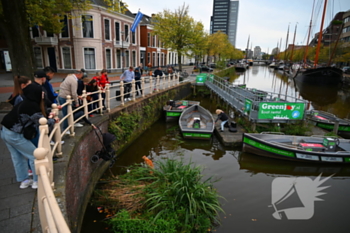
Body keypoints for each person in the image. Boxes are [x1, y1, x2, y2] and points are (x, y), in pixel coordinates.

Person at [1, 83, 56, 189]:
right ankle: (36, 181)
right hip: (14, 134)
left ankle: (24, 180)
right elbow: (40, 121)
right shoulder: (32, 106)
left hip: (5, 130)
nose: (43, 95)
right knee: (34, 155)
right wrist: (53, 120)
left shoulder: (25, 102)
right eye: (41, 93)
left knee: (17, 157)